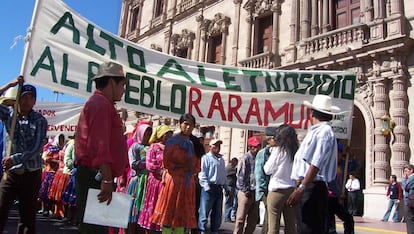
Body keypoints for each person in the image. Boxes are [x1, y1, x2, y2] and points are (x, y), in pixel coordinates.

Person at [74, 61, 128, 234]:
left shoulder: (101, 103)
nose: (123, 90)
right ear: (112, 82)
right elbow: (100, 145)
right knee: (94, 230)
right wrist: (106, 180)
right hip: (95, 177)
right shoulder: (101, 104)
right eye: (122, 84)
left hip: (96, 176)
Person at [287, 94, 340, 234]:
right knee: (304, 228)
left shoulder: (324, 132)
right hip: (308, 187)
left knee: (309, 229)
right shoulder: (316, 132)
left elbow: (316, 163)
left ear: (313, 113)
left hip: (312, 188)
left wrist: (302, 188)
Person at [0, 81, 48, 234]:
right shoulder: (8, 114)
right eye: (23, 97)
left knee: (27, 220)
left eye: (30, 98)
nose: (27, 101)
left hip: (31, 173)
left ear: (34, 101)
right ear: (18, 99)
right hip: (11, 174)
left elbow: (35, 148)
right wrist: (10, 85)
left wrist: (14, 159)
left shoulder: (40, 120)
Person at [151, 113, 200, 234]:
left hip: (187, 183)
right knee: (169, 213)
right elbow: (167, 162)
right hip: (172, 182)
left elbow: (197, 166)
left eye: (191, 125)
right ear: (180, 124)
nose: (188, 127)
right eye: (186, 124)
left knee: (182, 216)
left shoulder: (196, 144)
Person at [263, 124, 298, 234]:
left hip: (277, 190)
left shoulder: (278, 151)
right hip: (291, 190)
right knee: (291, 225)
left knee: (273, 226)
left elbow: (267, 170)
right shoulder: (296, 151)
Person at [138, 124, 173, 233]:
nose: (170, 137)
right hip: (156, 182)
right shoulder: (153, 147)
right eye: (167, 135)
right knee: (154, 206)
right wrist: (162, 172)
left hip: (167, 183)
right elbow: (149, 165)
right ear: (161, 135)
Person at [198, 138, 229, 234]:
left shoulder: (221, 160)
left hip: (218, 188)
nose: (217, 147)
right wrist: (206, 187)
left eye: (219, 145)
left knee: (217, 213)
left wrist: (226, 187)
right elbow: (202, 173)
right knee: (204, 213)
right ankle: (202, 231)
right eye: (215, 145)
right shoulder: (206, 158)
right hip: (209, 187)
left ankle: (214, 231)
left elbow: (223, 175)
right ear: (210, 147)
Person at [126, 123, 152, 234]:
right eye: (145, 134)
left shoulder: (152, 147)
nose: (147, 136)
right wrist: (148, 164)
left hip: (148, 182)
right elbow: (133, 163)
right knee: (133, 209)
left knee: (145, 210)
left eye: (149, 134)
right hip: (137, 180)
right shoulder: (135, 147)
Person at [233, 136, 261, 234]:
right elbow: (240, 176)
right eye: (255, 147)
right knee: (240, 218)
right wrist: (245, 189)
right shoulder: (245, 158)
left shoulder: (259, 158)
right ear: (250, 147)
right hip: (246, 193)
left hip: (255, 192)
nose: (257, 149)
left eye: (259, 146)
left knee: (253, 219)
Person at [327, 143, 354, 234]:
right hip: (328, 197)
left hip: (336, 198)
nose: (338, 155)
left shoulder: (343, 164)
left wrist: (351, 156)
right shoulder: (327, 164)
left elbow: (355, 166)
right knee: (330, 224)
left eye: (340, 153)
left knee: (348, 219)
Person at [255, 126, 277, 234]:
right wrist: (262, 192)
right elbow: (259, 174)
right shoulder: (263, 153)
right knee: (269, 219)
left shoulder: (277, 151)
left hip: (275, 189)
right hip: (266, 191)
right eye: (274, 138)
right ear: (269, 140)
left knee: (271, 219)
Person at [0, 86, 18, 178]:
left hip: (10, 169)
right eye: (6, 105)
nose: (9, 109)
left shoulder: (21, 126)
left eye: (13, 105)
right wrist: (9, 85)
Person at [224, 157, 238, 223]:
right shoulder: (229, 168)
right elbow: (236, 170)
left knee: (231, 202)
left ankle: (228, 216)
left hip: (231, 186)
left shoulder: (229, 168)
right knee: (229, 202)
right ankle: (226, 217)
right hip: (229, 186)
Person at [402, 164, 414, 234]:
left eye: (406, 171)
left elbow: (406, 186)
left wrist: (404, 179)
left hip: (410, 202)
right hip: (410, 201)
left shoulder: (412, 178)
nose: (405, 173)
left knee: (410, 221)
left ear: (411, 170)